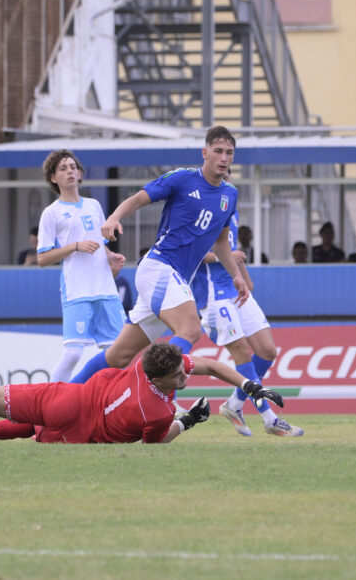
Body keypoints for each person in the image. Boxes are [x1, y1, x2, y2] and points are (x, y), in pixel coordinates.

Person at [66, 126, 247, 384]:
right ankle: (148, 387)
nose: (224, 158)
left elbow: (220, 242)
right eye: (217, 151)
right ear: (204, 152)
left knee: (118, 356)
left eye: (229, 152)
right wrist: (114, 217)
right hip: (160, 267)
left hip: (172, 279)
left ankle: (64, 393)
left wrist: (236, 276)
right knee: (191, 328)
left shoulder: (230, 194)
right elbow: (138, 199)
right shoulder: (182, 178)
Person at [0, 343, 284, 445]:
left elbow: (211, 366)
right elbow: (159, 440)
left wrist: (252, 387)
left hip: (70, 399)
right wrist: (190, 420)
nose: (188, 373)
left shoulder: (143, 363)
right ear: (165, 378)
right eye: (181, 373)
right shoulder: (157, 413)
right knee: (31, 428)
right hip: (77, 433)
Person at [192, 208, 303, 437]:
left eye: (229, 172)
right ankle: (269, 418)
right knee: (242, 351)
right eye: (221, 172)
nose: (225, 176)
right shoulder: (201, 210)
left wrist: (243, 276)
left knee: (267, 350)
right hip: (215, 295)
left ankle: (233, 405)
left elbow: (232, 251)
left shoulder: (230, 210)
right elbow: (192, 253)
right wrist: (229, 257)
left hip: (237, 290)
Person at [36, 149, 127, 383]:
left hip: (106, 290)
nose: (70, 171)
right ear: (53, 178)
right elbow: (43, 258)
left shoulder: (94, 205)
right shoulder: (51, 213)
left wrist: (111, 257)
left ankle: (109, 405)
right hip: (78, 291)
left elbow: (100, 244)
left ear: (80, 173)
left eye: (73, 167)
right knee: (73, 352)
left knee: (119, 353)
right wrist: (75, 246)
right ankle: (49, 406)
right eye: (63, 168)